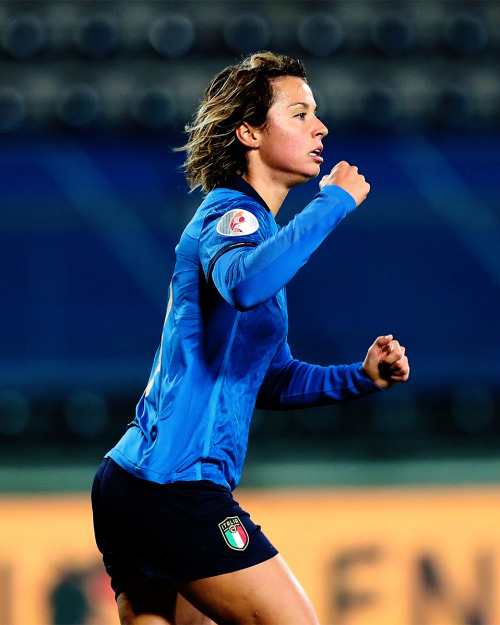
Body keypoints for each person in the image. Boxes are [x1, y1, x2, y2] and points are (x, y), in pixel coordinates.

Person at [91, 51, 410, 625]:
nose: (321, 127)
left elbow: (269, 376)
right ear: (250, 132)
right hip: (174, 486)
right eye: (300, 113)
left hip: (138, 485)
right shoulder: (231, 217)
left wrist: (360, 378)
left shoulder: (261, 231)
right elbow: (244, 284)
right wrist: (332, 204)